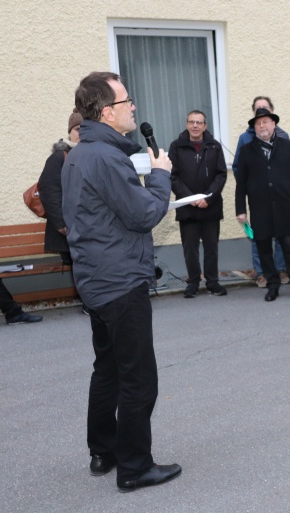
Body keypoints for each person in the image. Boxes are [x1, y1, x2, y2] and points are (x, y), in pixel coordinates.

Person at [62, 71, 180, 491]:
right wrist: (161, 173)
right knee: (138, 378)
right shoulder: (104, 156)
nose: (134, 106)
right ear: (107, 111)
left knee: (108, 368)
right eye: (127, 100)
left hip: (97, 278)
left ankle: (104, 451)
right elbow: (144, 214)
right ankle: (134, 468)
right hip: (117, 282)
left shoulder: (81, 152)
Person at [235, 108, 290, 303]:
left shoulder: (288, 146)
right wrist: (241, 210)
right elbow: (241, 182)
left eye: (266, 122)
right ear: (254, 127)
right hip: (259, 207)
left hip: (285, 207)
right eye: (259, 123)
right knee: (264, 249)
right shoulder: (246, 150)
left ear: (274, 124)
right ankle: (273, 285)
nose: (262, 126)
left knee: (289, 247)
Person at [168, 110, 228, 298]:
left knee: (211, 247)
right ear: (187, 124)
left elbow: (221, 174)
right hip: (188, 208)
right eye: (192, 122)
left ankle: (212, 282)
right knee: (190, 249)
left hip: (210, 206)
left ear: (205, 125)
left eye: (199, 122)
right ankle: (193, 282)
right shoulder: (176, 147)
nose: (195, 125)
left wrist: (208, 198)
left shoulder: (214, 146)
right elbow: (172, 176)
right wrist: (190, 198)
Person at [233, 96, 290, 288]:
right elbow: (237, 168)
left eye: (265, 108)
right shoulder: (245, 138)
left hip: (279, 196)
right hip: (258, 197)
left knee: (282, 234)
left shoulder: (283, 136)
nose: (261, 111)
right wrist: (251, 186)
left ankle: (281, 270)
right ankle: (262, 273)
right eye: (258, 109)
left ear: (272, 111)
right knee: (260, 235)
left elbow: (289, 167)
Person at [39, 109, 82, 266]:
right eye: (78, 129)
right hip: (69, 232)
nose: (81, 133)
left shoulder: (92, 154)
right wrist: (60, 223)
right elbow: (48, 189)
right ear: (70, 132)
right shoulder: (59, 157)